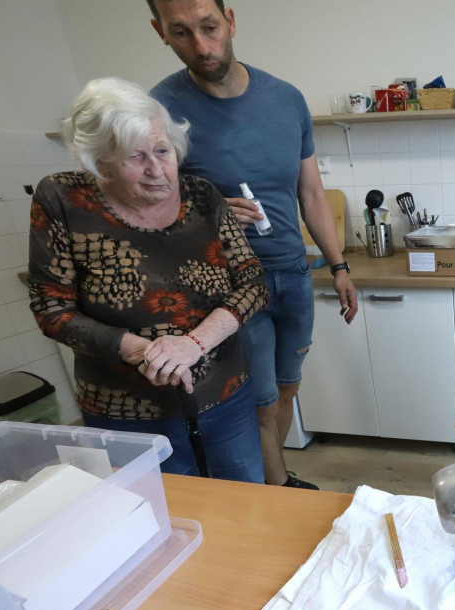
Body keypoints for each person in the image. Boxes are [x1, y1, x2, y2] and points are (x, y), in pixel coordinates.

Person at [147, 0, 358, 490]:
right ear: (160, 32)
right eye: (181, 33)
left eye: (210, 27)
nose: (201, 46)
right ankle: (278, 488)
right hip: (231, 287)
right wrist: (207, 208)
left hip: (294, 273)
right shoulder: (159, 111)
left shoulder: (285, 99)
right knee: (260, 399)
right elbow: (148, 209)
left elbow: (311, 193)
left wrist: (339, 266)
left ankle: (273, 478)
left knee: (287, 390)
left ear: (231, 21)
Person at [28, 77, 269, 481]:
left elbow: (253, 284)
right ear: (100, 160)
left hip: (225, 394)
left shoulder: (203, 196)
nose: (158, 170)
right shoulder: (62, 200)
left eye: (163, 151)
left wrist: (193, 344)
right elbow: (51, 309)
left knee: (248, 505)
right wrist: (146, 352)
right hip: (126, 411)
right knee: (160, 517)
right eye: (135, 158)